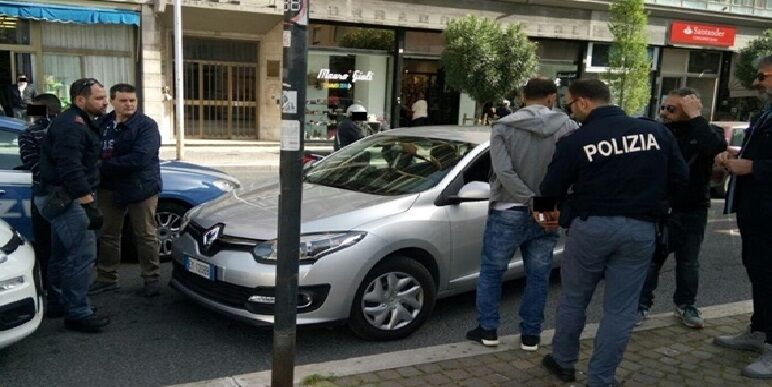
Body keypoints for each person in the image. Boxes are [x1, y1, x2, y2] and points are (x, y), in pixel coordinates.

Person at [538, 79, 688, 386]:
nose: (570, 110)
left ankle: (564, 362)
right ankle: (601, 379)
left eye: (569, 104)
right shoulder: (658, 133)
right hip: (640, 229)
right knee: (621, 309)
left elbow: (548, 190)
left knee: (574, 300)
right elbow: (681, 181)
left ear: (583, 102)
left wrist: (549, 217)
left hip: (591, 226)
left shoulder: (577, 140)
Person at [465, 77, 578, 351]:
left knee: (492, 271)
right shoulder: (570, 127)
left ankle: (488, 329)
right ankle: (531, 335)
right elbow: (570, 171)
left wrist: (527, 199)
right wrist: (541, 202)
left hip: (508, 206)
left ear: (523, 97)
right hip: (547, 206)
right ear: (551, 97)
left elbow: (503, 172)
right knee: (539, 274)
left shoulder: (504, 126)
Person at [637, 88, 727, 328]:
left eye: (672, 108)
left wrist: (697, 117)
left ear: (689, 109)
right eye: (663, 107)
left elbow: (713, 146)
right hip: (660, 207)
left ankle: (686, 305)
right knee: (652, 260)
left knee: (688, 261)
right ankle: (641, 305)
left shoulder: (707, 131)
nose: (665, 112)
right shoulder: (659, 131)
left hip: (692, 207)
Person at [713, 55, 772, 379]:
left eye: (762, 76)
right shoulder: (765, 112)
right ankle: (759, 330)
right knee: (759, 272)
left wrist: (753, 167)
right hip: (755, 209)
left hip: (767, 209)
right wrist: (735, 156)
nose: (756, 82)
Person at [35, 78, 110, 332]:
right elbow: (71, 168)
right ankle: (77, 312)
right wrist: (89, 205)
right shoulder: (72, 125)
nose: (105, 102)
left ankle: (58, 302)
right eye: (99, 98)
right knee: (82, 254)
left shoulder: (81, 121)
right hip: (67, 198)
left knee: (60, 254)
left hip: (60, 196)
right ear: (80, 100)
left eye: (104, 96)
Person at [88, 84, 163, 297]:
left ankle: (152, 278)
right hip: (109, 187)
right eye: (124, 100)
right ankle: (107, 278)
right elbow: (91, 151)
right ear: (113, 101)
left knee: (146, 235)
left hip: (141, 187)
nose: (129, 104)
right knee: (108, 234)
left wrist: (102, 165)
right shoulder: (101, 124)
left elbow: (140, 158)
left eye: (132, 100)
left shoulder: (146, 125)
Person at [17, 93, 61, 297]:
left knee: (45, 246)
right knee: (68, 248)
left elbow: (32, 165)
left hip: (44, 194)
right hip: (71, 192)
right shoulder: (71, 128)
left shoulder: (29, 134)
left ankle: (52, 293)